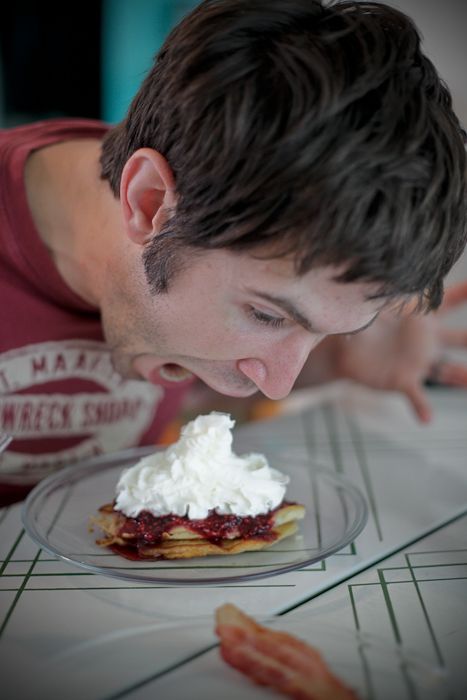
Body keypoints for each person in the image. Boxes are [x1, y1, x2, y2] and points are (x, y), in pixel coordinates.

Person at [1, 0, 466, 505]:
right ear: (149, 201)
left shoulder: (167, 292)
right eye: (267, 315)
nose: (278, 386)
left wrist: (335, 358)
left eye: (325, 332)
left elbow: (171, 410)